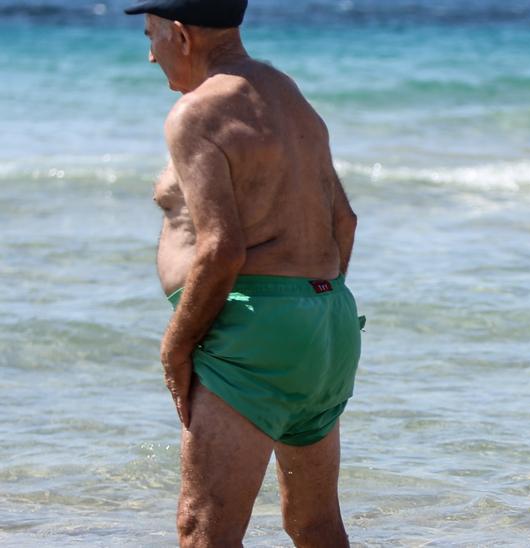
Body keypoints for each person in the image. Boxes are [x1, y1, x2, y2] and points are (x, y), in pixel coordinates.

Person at [126, 0, 362, 544]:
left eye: (151, 36)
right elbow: (344, 222)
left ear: (181, 35)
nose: (149, 55)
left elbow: (221, 249)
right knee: (314, 524)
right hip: (327, 324)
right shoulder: (289, 96)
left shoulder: (196, 112)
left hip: (253, 334)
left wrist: (176, 347)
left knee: (203, 529)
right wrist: (306, 306)